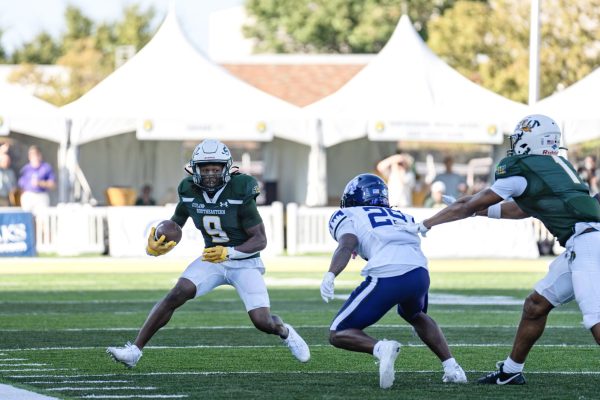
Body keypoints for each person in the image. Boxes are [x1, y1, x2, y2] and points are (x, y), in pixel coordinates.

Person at [402, 114, 600, 385]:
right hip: (585, 241)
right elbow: (521, 209)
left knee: (596, 317)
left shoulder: (523, 167)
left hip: (589, 244)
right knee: (535, 305)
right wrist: (477, 211)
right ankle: (511, 371)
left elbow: (466, 204)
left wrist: (427, 223)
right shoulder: (555, 164)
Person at [106, 139, 310, 367]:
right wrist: (158, 243)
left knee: (262, 322)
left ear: (226, 169)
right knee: (176, 294)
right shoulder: (188, 189)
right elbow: (176, 223)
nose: (210, 174)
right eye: (205, 169)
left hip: (244, 261)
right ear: (195, 169)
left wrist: (229, 252)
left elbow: (260, 240)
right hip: (212, 258)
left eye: (215, 168)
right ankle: (134, 351)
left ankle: (285, 331)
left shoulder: (241, 188)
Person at [320, 173, 467, 389]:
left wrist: (331, 273)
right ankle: (452, 367)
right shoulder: (400, 215)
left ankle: (381, 348)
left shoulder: (347, 213)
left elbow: (347, 243)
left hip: (388, 274)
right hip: (419, 273)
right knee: (415, 314)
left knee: (338, 333)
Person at [18, 145, 56, 211]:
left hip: (41, 196)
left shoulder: (46, 167)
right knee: (27, 217)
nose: (35, 157)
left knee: (41, 219)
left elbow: (53, 185)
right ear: (29, 156)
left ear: (40, 155)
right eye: (32, 155)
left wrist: (40, 183)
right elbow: (21, 184)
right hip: (28, 196)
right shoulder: (26, 169)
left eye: (36, 154)